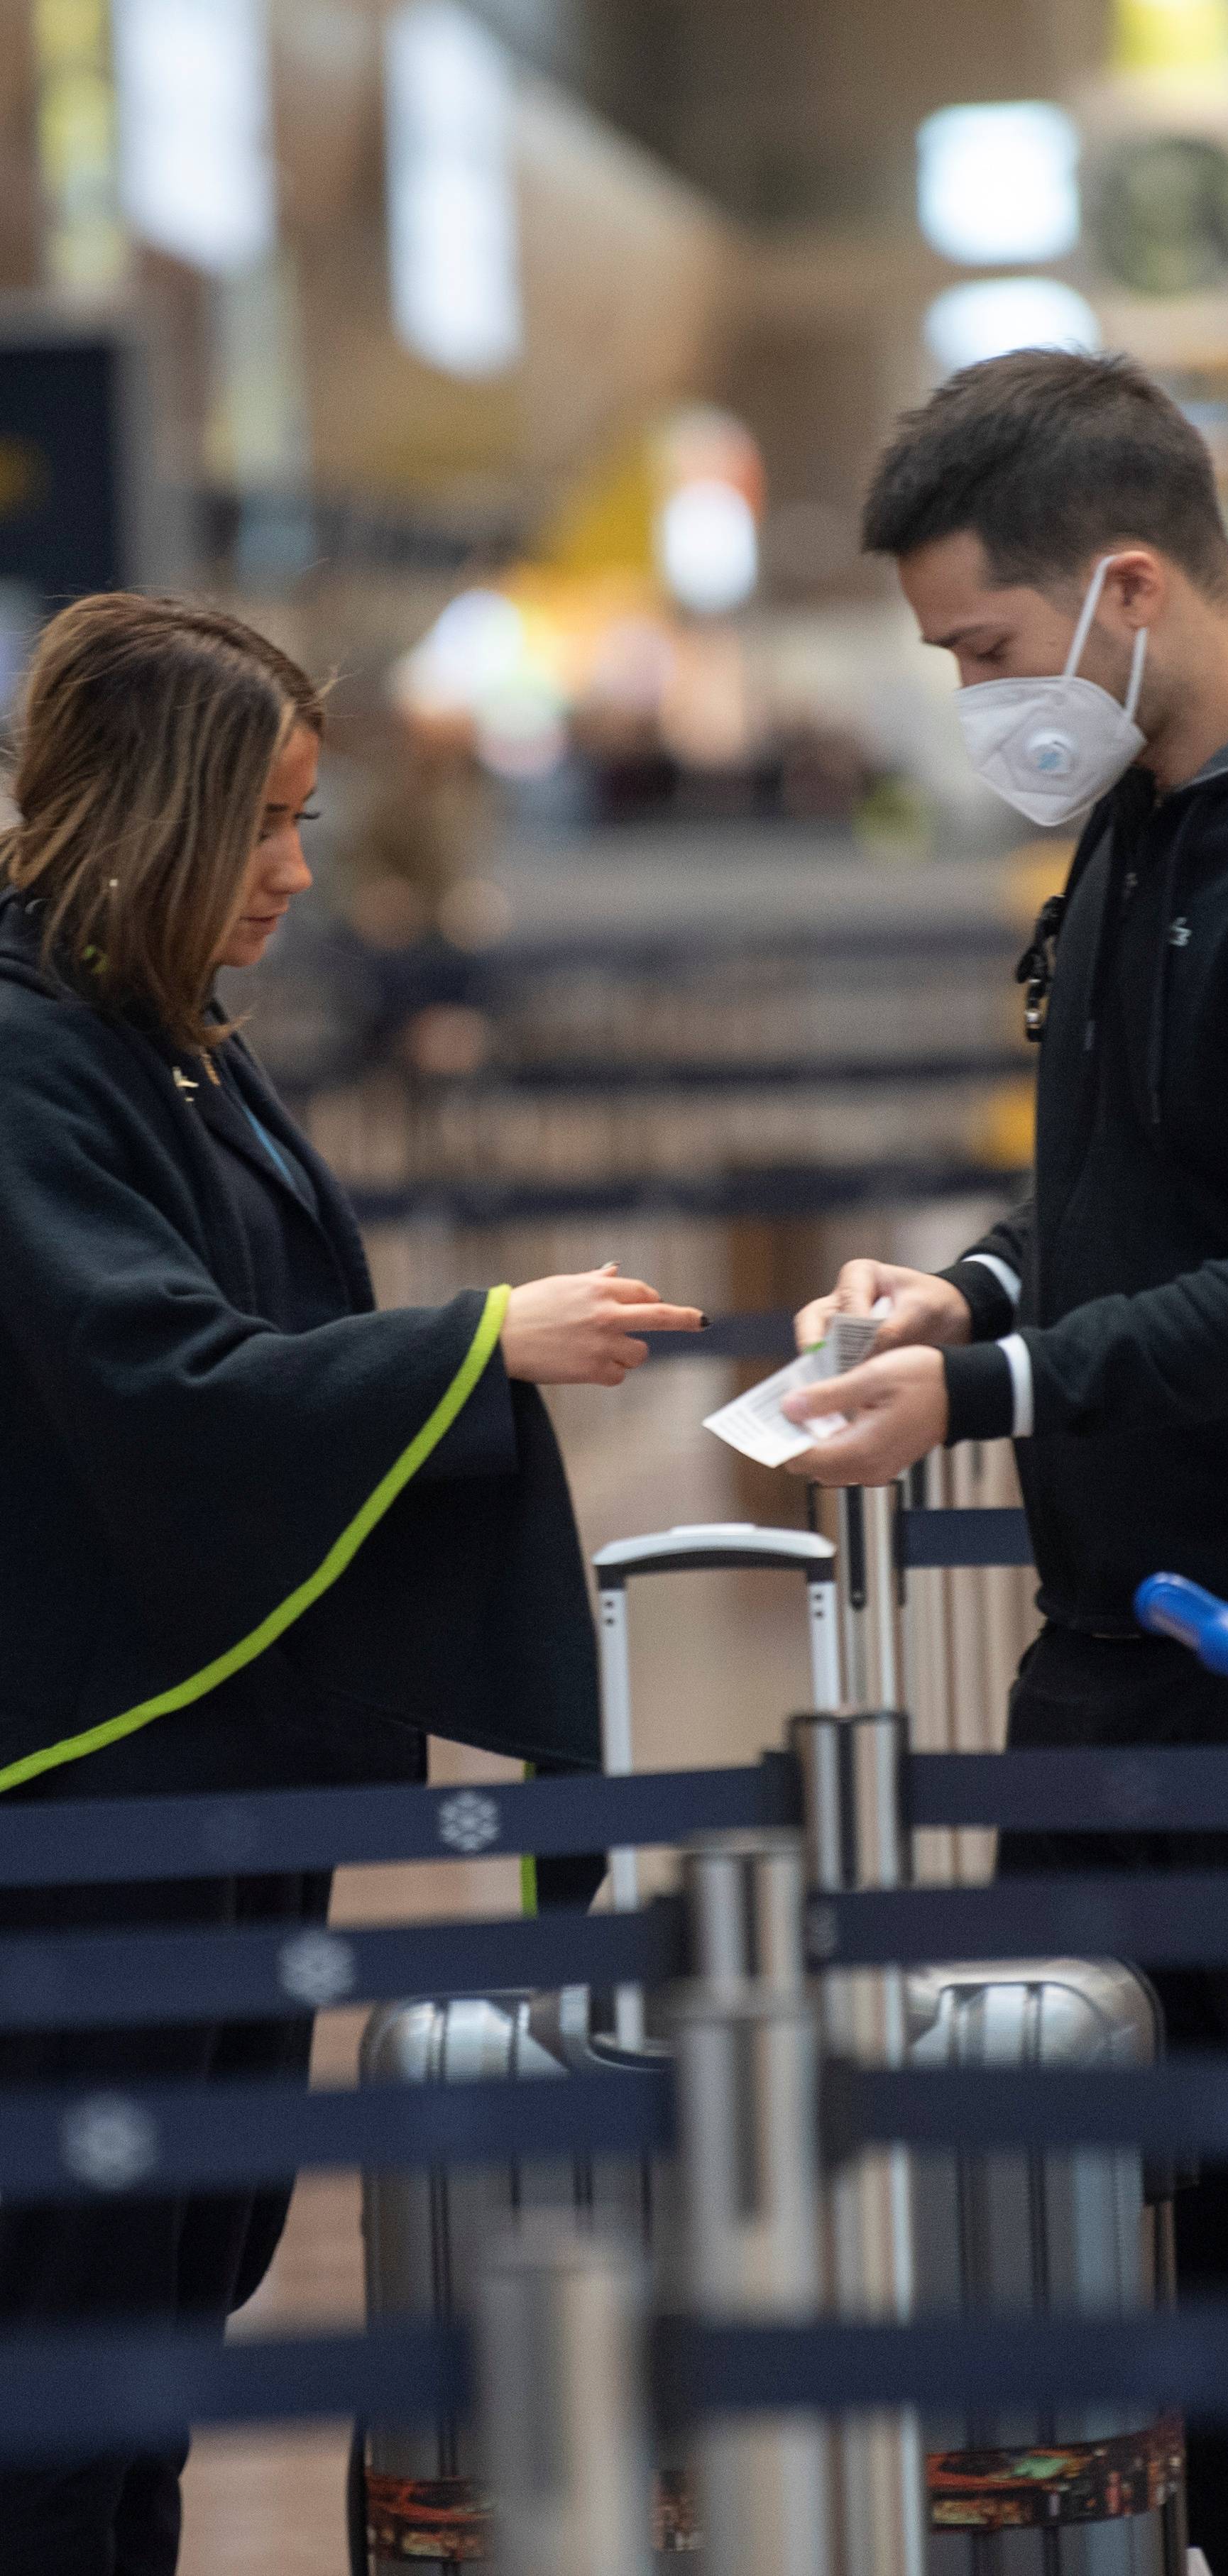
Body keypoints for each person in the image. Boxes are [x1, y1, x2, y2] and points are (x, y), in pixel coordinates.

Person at [0, 591, 706, 2576]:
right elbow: (162, 1381)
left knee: (163, 2310)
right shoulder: (32, 1063)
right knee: (67, 2343)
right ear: (145, 817)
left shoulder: (169, 1049)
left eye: (311, 822)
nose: (302, 875)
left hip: (217, 1775)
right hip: (89, 1796)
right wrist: (479, 1342)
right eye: (266, 828)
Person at [787, 349, 1228, 2575]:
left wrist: (1004, 1397)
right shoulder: (1139, 818)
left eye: (987, 649)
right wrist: (975, 1300)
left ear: (1127, 583)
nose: (975, 700)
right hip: (1111, 1673)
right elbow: (1135, 1201)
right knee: (1125, 2245)